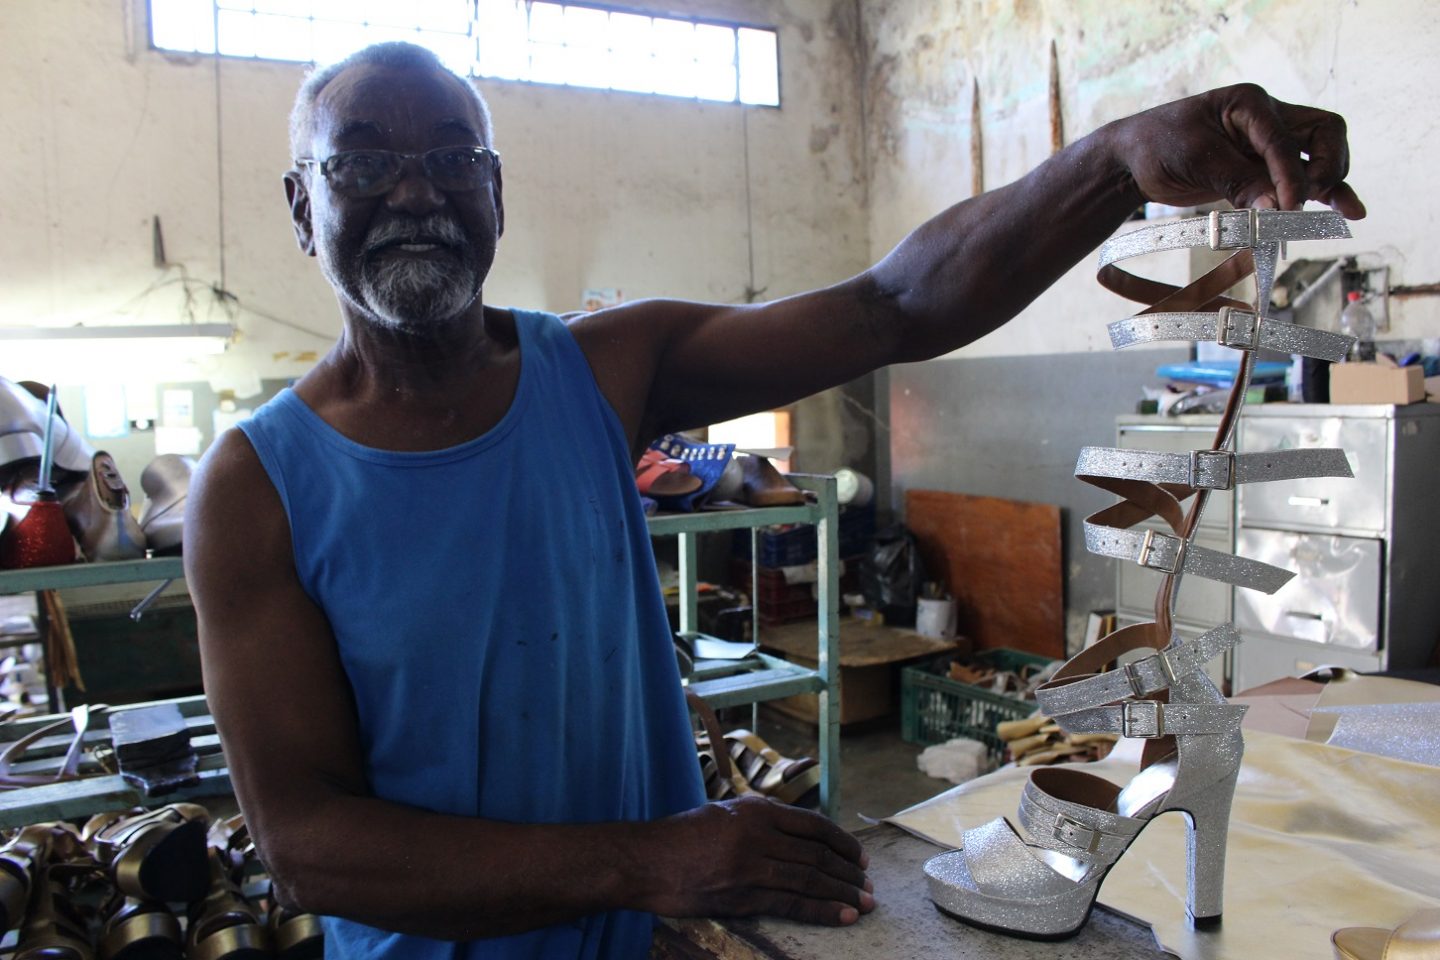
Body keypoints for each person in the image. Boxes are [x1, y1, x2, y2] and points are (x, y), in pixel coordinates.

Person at [184, 40, 1363, 960]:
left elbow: (891, 305)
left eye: (452, 158)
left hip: (679, 944)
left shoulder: (600, 372)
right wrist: (647, 861)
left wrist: (1111, 163)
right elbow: (311, 845)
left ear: (494, 193)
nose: (415, 191)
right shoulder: (258, 487)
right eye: (363, 162)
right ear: (301, 204)